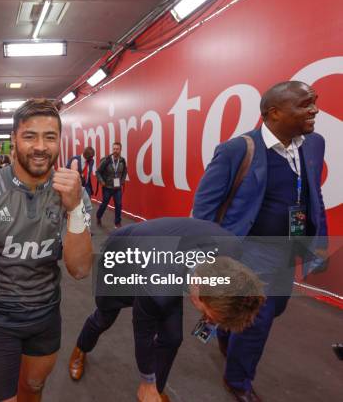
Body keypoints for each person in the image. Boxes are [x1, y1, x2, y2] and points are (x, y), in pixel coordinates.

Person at [0, 99, 93, 402]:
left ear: (59, 141)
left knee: (33, 388)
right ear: (14, 139)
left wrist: (75, 209)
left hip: (45, 316)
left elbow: (79, 269)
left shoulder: (72, 192)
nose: (40, 146)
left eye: (49, 137)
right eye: (30, 136)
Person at [193, 81, 328, 402]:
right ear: (274, 113)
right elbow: (204, 209)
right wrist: (203, 262)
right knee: (259, 318)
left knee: (275, 307)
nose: (315, 110)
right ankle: (238, 380)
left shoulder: (313, 143)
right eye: (306, 104)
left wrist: (317, 242)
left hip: (290, 246)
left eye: (315, 102)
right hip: (248, 249)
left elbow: (313, 194)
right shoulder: (237, 150)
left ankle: (225, 323)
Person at [68, 217, 265, 402]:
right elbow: (143, 336)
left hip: (169, 263)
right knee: (104, 318)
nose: (207, 320)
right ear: (197, 291)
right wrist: (147, 381)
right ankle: (81, 349)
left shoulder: (232, 250)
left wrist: (215, 314)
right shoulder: (159, 285)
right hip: (120, 259)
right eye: (208, 314)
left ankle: (157, 391)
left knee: (172, 338)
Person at [96, 142, 127, 228]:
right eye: (114, 149)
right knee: (104, 204)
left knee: (119, 204)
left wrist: (122, 181)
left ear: (120, 150)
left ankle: (117, 222)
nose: (115, 151)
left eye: (117, 149)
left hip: (117, 188)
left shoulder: (122, 161)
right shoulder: (106, 160)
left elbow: (124, 172)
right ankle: (98, 216)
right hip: (107, 187)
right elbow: (97, 172)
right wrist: (102, 181)